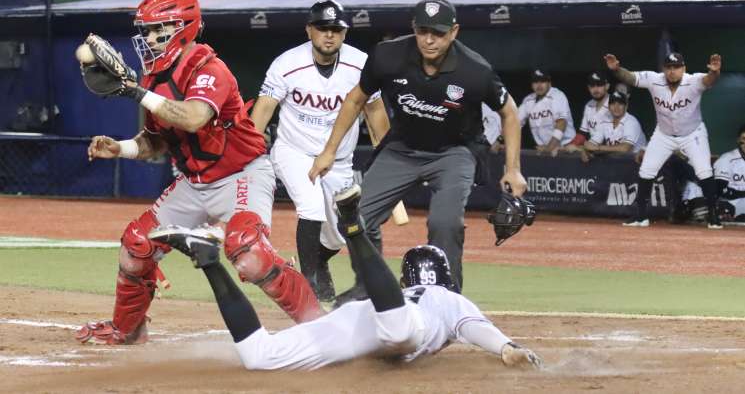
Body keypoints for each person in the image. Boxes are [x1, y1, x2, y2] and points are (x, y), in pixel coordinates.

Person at [75, 0, 323, 345]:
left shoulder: (210, 69)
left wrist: (136, 92)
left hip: (242, 174)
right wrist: (123, 148)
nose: (147, 38)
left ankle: (318, 324)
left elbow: (193, 118)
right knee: (136, 247)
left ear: (181, 27)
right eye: (145, 30)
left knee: (247, 252)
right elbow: (156, 139)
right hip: (194, 183)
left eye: (155, 30)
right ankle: (127, 330)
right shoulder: (152, 81)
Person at [148, 184, 542, 371]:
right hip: (397, 324)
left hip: (359, 319)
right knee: (401, 329)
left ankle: (209, 260)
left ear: (406, 279)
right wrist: (508, 348)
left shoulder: (414, 293)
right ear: (446, 278)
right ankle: (353, 227)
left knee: (258, 357)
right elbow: (477, 330)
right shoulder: (449, 299)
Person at [308, 0, 527, 303]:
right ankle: (371, 286)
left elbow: (510, 112)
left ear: (454, 32)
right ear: (413, 28)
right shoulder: (388, 55)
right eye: (423, 30)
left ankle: (447, 299)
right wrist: (329, 150)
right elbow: (356, 99)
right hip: (403, 147)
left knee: (445, 224)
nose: (429, 39)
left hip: (454, 151)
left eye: (437, 32)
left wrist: (513, 168)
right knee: (356, 217)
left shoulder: (474, 70)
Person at [249, 0, 388, 302]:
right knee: (310, 206)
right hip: (294, 151)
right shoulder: (287, 63)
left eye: (336, 29)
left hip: (338, 159)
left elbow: (377, 115)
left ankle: (318, 260)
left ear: (345, 33)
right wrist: (245, 154)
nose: (329, 35)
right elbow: (263, 110)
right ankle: (308, 286)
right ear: (309, 30)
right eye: (323, 28)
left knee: (341, 232)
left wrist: (389, 157)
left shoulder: (362, 64)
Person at [605, 51, 722, 229]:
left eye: (676, 67)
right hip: (664, 134)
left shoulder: (693, 80)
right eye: (669, 67)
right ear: (663, 69)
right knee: (646, 170)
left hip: (692, 133)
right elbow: (630, 78)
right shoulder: (654, 79)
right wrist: (616, 69)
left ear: (684, 68)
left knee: (704, 171)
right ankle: (640, 216)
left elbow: (709, 81)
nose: (672, 71)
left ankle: (714, 216)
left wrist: (714, 72)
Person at [518, 69, 577, 156]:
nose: (539, 85)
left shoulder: (557, 96)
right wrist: (502, 141)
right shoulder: (528, 100)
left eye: (542, 81)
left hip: (567, 149)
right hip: (545, 149)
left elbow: (561, 123)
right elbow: (514, 123)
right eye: (535, 82)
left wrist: (550, 147)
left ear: (549, 83)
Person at [583, 91, 646, 159]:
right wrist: (586, 151)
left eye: (620, 104)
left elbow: (625, 148)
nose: (616, 107)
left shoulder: (631, 122)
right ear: (609, 107)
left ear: (626, 106)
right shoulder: (605, 120)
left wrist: (598, 148)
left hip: (636, 161)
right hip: (617, 162)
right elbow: (590, 144)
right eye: (613, 104)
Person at [713, 124, 745, 222]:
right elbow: (720, 190)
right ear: (738, 140)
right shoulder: (727, 159)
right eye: (744, 138)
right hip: (728, 203)